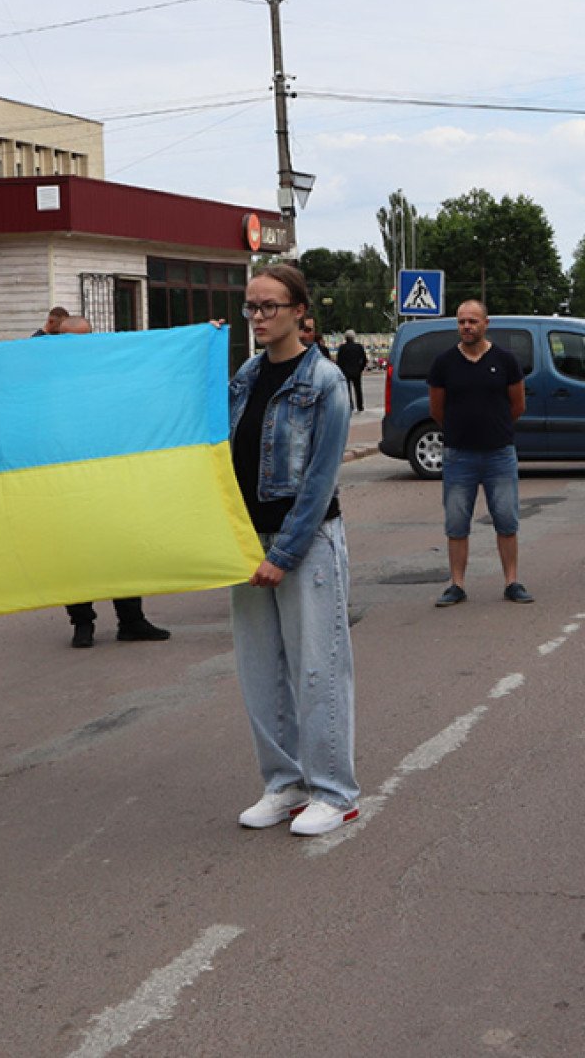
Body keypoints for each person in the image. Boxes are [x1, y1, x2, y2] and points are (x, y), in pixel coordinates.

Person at [229, 263, 360, 836]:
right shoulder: (245, 375)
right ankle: (284, 784)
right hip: (245, 543)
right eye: (251, 307)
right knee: (261, 672)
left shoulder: (325, 381)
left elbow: (319, 481)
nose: (257, 317)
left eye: (269, 307)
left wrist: (283, 555)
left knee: (317, 669)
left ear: (300, 311)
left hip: (305, 545)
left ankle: (335, 792)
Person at [36, 313, 172, 647]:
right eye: (73, 341)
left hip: (111, 477)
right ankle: (82, 623)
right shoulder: (47, 377)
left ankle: (132, 620)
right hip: (66, 479)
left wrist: (204, 336)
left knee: (122, 547)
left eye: (87, 339)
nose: (82, 347)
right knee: (75, 554)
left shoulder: (108, 372)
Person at [428, 299, 533, 606]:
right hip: (458, 456)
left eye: (473, 321)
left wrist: (494, 427)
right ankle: (457, 585)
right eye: (462, 321)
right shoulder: (444, 363)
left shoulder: (505, 360)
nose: (467, 327)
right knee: (456, 523)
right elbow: (437, 409)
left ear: (486, 323)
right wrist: (460, 430)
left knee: (506, 519)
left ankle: (512, 581)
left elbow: (518, 405)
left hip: (499, 454)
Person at [336, 329, 369, 412]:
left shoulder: (342, 348)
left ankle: (350, 405)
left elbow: (339, 360)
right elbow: (364, 359)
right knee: (358, 389)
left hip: (345, 371)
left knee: (347, 390)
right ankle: (360, 406)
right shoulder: (359, 347)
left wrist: (341, 369)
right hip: (356, 371)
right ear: (354, 337)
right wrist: (361, 368)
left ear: (345, 338)